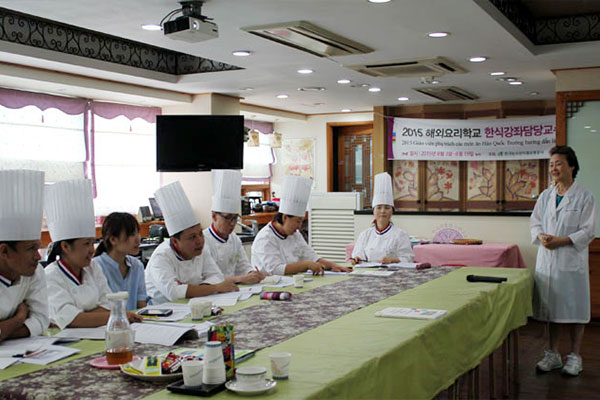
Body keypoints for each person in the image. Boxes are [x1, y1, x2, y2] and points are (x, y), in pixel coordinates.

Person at [529, 145, 597, 376]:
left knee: (576, 309)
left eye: (558, 163)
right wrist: (541, 236)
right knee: (552, 309)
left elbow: (588, 231)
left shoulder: (585, 196)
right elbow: (535, 222)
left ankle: (575, 356)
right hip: (547, 261)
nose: (553, 168)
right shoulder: (546, 195)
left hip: (571, 260)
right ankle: (552, 354)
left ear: (572, 166)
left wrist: (562, 240)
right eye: (551, 165)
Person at [44, 179, 141, 329]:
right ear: (65, 247)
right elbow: (71, 320)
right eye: (86, 244)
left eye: (92, 243)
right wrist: (85, 316)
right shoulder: (50, 276)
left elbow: (110, 305)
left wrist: (85, 316)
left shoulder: (93, 267)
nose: (91, 250)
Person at [145, 181, 238, 304]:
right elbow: (174, 293)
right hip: (161, 310)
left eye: (200, 233)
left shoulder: (201, 250)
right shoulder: (161, 257)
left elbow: (217, 276)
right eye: (192, 237)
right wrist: (214, 288)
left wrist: (199, 289)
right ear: (175, 241)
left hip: (196, 303)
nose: (199, 241)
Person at [252, 175, 352, 275]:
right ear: (285, 217)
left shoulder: (295, 234)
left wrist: (333, 265)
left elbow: (312, 257)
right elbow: (275, 270)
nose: (299, 226)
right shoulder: (265, 238)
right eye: (298, 221)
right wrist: (305, 265)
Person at [0, 170, 49, 342]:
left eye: (38, 248)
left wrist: (3, 331)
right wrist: (18, 319)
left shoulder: (34, 272)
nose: (37, 257)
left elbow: (41, 321)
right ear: (4, 251)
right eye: (30, 249)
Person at [203, 170, 266, 284]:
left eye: (235, 218)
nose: (232, 223)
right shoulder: (203, 241)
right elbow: (208, 280)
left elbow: (243, 266)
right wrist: (240, 279)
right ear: (214, 216)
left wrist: (253, 274)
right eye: (228, 218)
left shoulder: (234, 239)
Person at [351, 172, 413, 264]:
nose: (383, 211)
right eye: (379, 207)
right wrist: (356, 259)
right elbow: (358, 254)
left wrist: (392, 260)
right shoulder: (365, 235)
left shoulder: (401, 235)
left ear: (392, 211)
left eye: (387, 208)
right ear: (373, 210)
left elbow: (408, 258)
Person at [93, 212, 148, 311]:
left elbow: (141, 306)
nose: (138, 239)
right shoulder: (96, 267)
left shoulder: (137, 266)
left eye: (138, 233)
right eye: (131, 234)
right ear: (113, 239)